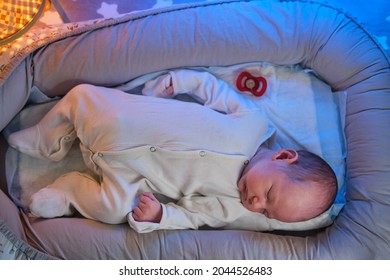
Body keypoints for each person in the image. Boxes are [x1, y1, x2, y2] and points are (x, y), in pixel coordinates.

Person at [7, 69, 337, 233]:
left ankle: (68, 191)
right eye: (268, 193)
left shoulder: (230, 206)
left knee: (113, 209)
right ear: (282, 157)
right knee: (83, 98)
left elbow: (193, 217)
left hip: (129, 174)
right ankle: (48, 139)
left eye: (265, 212)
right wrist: (178, 82)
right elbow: (214, 90)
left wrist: (160, 217)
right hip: (125, 123)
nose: (256, 203)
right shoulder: (253, 122)